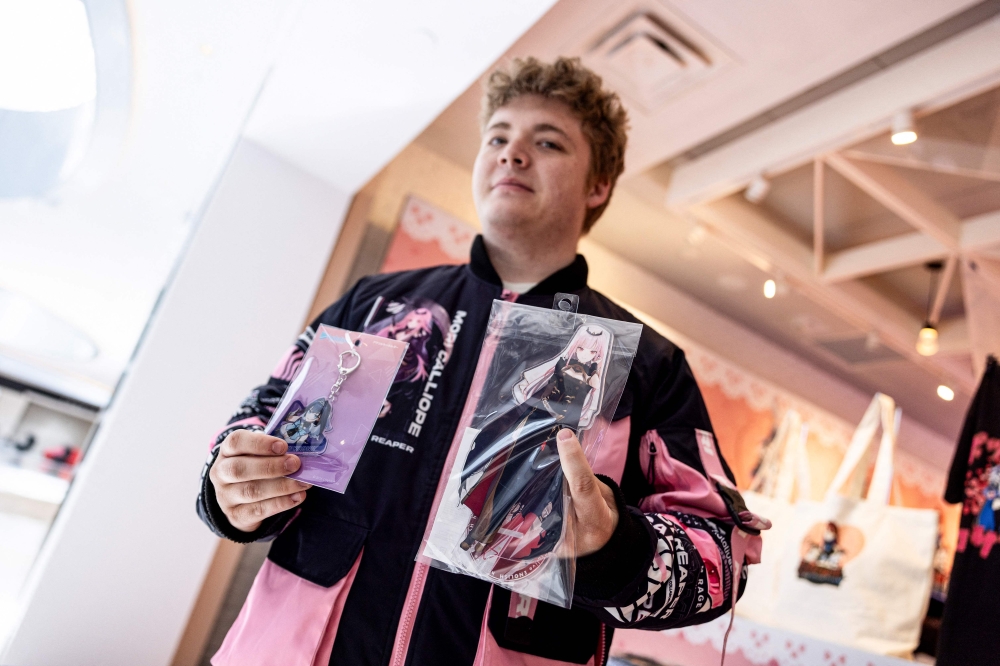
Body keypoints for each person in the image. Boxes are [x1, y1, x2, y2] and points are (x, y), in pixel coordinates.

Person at [197, 56, 765, 666]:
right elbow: (257, 424)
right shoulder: (375, 303)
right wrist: (229, 485)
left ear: (598, 185)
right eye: (498, 137)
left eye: (546, 142)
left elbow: (720, 555)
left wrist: (612, 545)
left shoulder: (648, 361)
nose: (511, 153)